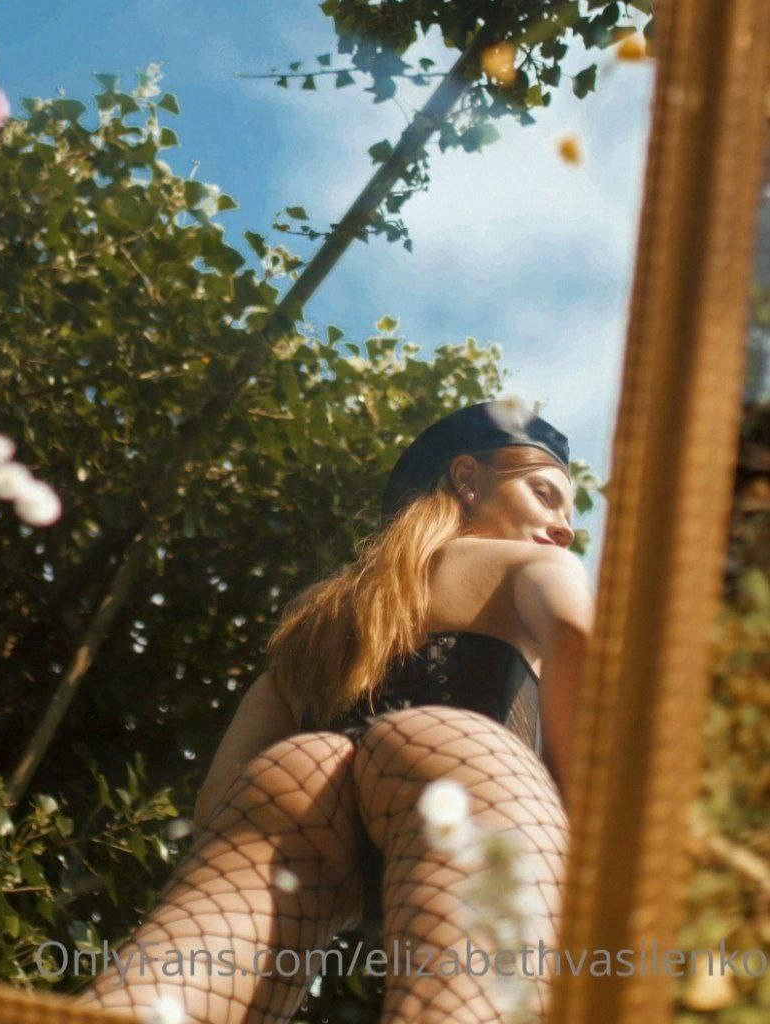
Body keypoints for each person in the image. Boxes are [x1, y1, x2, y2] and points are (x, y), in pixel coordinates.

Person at [76, 397, 595, 1024]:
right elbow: (577, 638)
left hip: (299, 784)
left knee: (161, 990)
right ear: (467, 479)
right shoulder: (534, 566)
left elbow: (216, 802)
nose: (564, 529)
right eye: (545, 494)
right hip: (468, 765)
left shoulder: (320, 617)